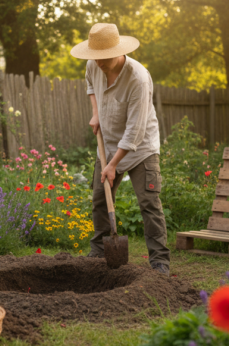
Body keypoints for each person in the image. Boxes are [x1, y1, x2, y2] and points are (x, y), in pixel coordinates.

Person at [70, 23, 170, 275]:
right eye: (95, 57)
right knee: (100, 200)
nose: (98, 62)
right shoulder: (94, 64)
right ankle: (99, 253)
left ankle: (159, 261)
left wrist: (113, 165)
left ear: (118, 51)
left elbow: (135, 131)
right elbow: (90, 85)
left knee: (149, 203)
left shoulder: (138, 78)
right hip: (108, 143)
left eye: (104, 57)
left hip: (140, 149)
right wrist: (95, 114)